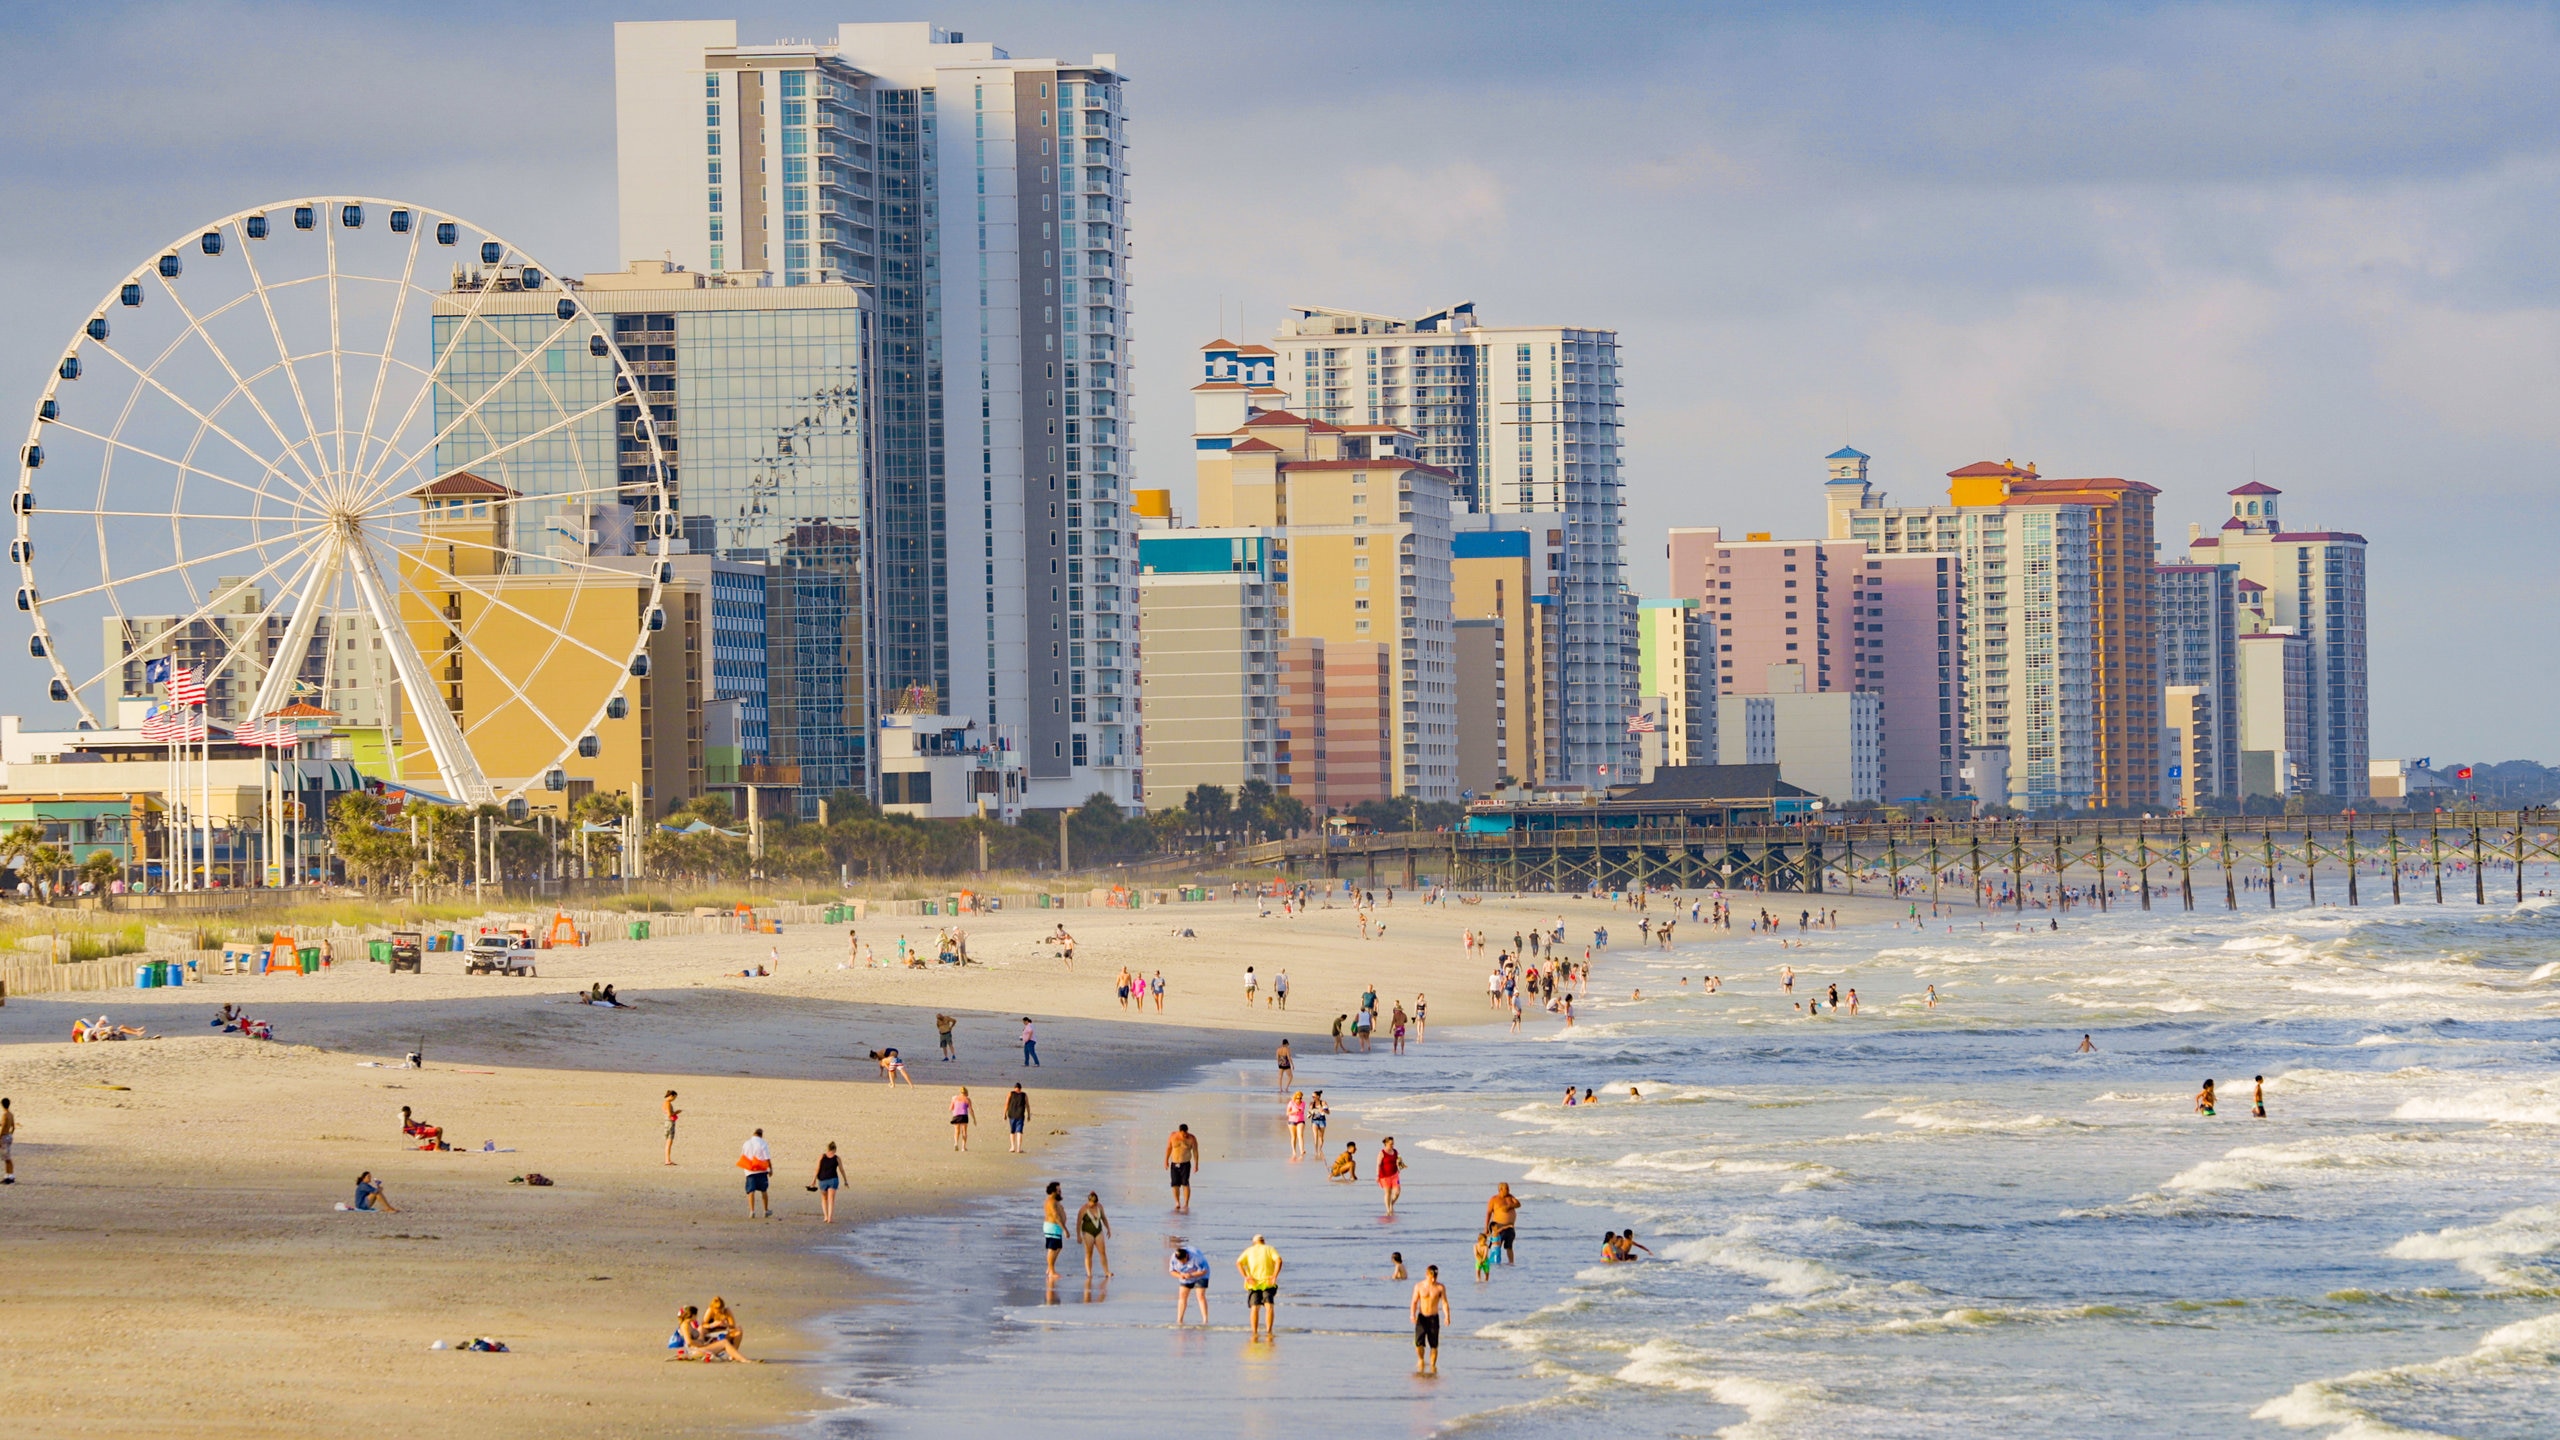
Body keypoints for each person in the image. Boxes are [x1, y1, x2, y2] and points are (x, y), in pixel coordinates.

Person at [1236, 1234, 1284, 1342]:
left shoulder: (1249, 1250)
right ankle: (1269, 1331)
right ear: (1264, 1241)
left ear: (1254, 1242)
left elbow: (1238, 1263)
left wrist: (1246, 1276)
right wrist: (1275, 1275)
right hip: (1268, 1282)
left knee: (1254, 1308)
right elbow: (1279, 1261)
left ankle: (1254, 1332)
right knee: (1269, 1307)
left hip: (1253, 1283)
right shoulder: (1270, 1249)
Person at [1410, 1264, 1452, 1376]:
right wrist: (1412, 1315)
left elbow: (1444, 1303)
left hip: (1434, 1318)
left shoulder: (1440, 1287)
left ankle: (1433, 1367)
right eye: (1431, 1276)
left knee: (1434, 1345)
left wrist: (1447, 1316)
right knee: (1419, 1344)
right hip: (1422, 1317)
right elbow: (1414, 1301)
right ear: (1426, 1274)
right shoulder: (1419, 1286)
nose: (1433, 1279)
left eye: (1435, 1277)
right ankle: (1421, 1359)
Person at [1169, 1242, 1211, 1325]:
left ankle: (1205, 1320)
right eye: (1180, 1261)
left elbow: (1204, 1270)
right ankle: (1179, 1320)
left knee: (1200, 1295)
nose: (1182, 1263)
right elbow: (1171, 1271)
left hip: (1200, 1275)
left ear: (1187, 1256)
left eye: (1183, 1261)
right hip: (1185, 1275)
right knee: (1182, 1296)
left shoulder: (1197, 1257)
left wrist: (1191, 1275)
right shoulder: (1174, 1257)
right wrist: (1180, 1275)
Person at [1076, 1191, 1114, 1279]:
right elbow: (1078, 1223)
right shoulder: (1083, 1209)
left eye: (1093, 1203)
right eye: (1090, 1202)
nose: (1091, 1205)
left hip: (1098, 1231)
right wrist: (1078, 1235)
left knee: (1102, 1252)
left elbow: (1104, 1218)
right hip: (1087, 1232)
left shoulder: (1099, 1207)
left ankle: (1107, 1271)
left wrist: (1108, 1228)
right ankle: (1089, 1273)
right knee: (1089, 1253)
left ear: (1096, 1202)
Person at [1166, 1123, 1200, 1212]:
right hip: (1174, 1163)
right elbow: (1169, 1148)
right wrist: (1166, 1161)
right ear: (1180, 1131)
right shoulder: (1173, 1136)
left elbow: (1195, 1152)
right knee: (1175, 1184)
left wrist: (1196, 1164)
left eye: (1186, 1133)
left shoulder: (1191, 1138)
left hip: (1185, 1164)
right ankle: (1177, 1202)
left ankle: (1186, 1203)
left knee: (1185, 1183)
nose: (1185, 1135)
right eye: (1183, 1134)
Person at [739, 1129, 773, 1217]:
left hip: (750, 1170)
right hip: (761, 1169)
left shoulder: (746, 1143)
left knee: (751, 1190)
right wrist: (770, 1169)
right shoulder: (763, 1143)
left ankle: (752, 1211)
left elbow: (743, 1156)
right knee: (763, 1190)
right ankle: (765, 1210)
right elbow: (767, 1157)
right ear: (761, 1135)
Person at [1484, 1182, 1521, 1263]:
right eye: (1507, 1189)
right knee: (1496, 1246)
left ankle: (1511, 1263)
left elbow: (1518, 1204)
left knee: (1509, 1247)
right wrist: (1486, 1227)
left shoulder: (1510, 1197)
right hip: (1499, 1227)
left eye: (1508, 1188)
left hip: (1510, 1228)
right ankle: (1494, 1261)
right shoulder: (1494, 1199)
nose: (1509, 1190)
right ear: (1500, 1189)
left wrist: (1509, 1206)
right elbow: (1488, 1213)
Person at [1042, 1181, 1068, 1282]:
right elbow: (1056, 1216)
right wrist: (1065, 1229)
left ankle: (1050, 1268)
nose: (1060, 1192)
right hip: (1052, 1226)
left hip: (1056, 1227)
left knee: (1058, 1247)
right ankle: (1051, 1271)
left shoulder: (1054, 1201)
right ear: (1053, 1191)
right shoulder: (1051, 1202)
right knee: (1052, 1249)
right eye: (1058, 1190)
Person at [812, 1142, 843, 1222]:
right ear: (835, 1149)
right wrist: (845, 1180)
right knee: (831, 1200)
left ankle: (825, 1216)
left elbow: (817, 1168)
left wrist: (813, 1180)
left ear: (828, 1148)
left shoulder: (822, 1156)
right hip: (833, 1180)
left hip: (823, 1180)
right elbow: (841, 1170)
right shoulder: (837, 1158)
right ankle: (830, 1218)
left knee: (824, 1199)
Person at [1377, 1136, 1405, 1217]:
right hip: (1384, 1176)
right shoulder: (1382, 1153)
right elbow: (1378, 1164)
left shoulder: (1395, 1151)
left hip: (1395, 1175)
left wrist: (1399, 1165)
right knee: (1388, 1192)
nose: (1392, 1145)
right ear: (1386, 1143)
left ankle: (1391, 1204)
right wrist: (1377, 1175)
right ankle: (1388, 1209)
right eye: (1390, 1144)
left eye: (1393, 1144)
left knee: (1397, 1192)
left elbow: (1398, 1160)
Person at [1005, 1083, 1030, 1153]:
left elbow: (1006, 1104)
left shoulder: (1010, 1093)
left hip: (1011, 1114)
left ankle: (1013, 1147)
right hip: (1020, 1115)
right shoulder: (1024, 1095)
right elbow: (1027, 1105)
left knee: (1012, 1131)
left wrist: (1004, 1113)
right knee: (1019, 1131)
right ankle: (1018, 1148)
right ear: (1020, 1088)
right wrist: (1029, 1115)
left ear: (1014, 1088)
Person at [949, 1087, 974, 1151]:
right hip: (964, 1115)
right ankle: (963, 1147)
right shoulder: (967, 1099)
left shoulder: (955, 1098)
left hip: (956, 1115)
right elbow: (971, 1110)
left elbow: (950, 1108)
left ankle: (956, 1143)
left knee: (957, 1130)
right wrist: (974, 1119)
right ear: (966, 1092)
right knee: (964, 1131)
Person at [1287, 1090, 1309, 1160]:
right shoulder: (1291, 1103)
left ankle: (1302, 1150)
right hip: (1292, 1121)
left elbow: (1302, 1111)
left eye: (1300, 1098)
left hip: (1301, 1121)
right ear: (1295, 1098)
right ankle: (1294, 1151)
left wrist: (1299, 1110)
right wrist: (1294, 1111)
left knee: (1300, 1135)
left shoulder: (1303, 1103)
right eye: (1298, 1098)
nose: (1299, 1100)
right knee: (1294, 1137)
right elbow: (1287, 1113)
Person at [662, 1090, 681, 1166]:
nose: (674, 1099)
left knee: (668, 1142)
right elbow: (670, 1114)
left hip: (667, 1123)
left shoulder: (664, 1103)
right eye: (674, 1097)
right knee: (669, 1142)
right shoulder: (668, 1103)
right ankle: (667, 1160)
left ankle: (667, 1159)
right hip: (669, 1123)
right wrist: (677, 1112)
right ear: (671, 1096)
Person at [0, 1096, 13, 1184]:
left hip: (4, 1136)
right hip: (8, 1136)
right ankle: (8, 1176)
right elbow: (13, 1127)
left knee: (6, 1158)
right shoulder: (11, 1114)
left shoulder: (4, 1114)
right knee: (6, 1157)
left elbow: (4, 1126)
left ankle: (9, 1176)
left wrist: (0, 1136)